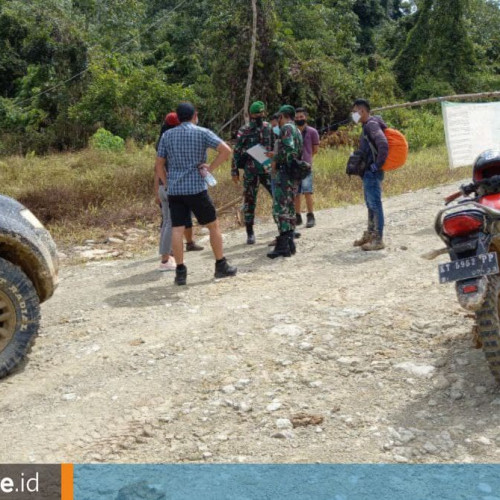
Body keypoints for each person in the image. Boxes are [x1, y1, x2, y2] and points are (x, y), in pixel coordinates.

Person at [155, 102, 236, 285]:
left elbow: (159, 164)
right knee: (213, 225)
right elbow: (226, 150)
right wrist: (210, 168)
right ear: (195, 115)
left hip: (175, 190)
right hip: (196, 189)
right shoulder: (202, 132)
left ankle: (181, 271)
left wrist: (167, 183)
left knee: (177, 229)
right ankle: (220, 265)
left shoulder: (167, 135)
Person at [154, 113, 203, 272]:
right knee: (171, 224)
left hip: (163, 187)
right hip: (172, 188)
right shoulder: (176, 143)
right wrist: (169, 186)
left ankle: (170, 254)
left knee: (167, 222)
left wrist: (158, 190)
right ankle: (166, 259)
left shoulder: (163, 141)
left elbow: (157, 168)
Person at [231, 101, 274, 244]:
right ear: (251, 115)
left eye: (261, 113)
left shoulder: (269, 128)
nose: (259, 116)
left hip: (268, 170)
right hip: (251, 170)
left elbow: (275, 146)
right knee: (250, 201)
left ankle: (284, 227)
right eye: (256, 114)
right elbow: (236, 151)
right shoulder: (244, 130)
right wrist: (234, 170)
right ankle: (250, 232)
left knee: (278, 197)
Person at [351, 98, 388, 251]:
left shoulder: (371, 125)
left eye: (354, 111)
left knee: (375, 204)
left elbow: (383, 144)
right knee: (370, 204)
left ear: (362, 111)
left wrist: (376, 166)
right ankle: (370, 234)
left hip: (372, 173)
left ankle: (378, 239)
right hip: (367, 173)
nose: (353, 114)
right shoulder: (366, 125)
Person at [266, 105, 303, 259]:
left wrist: (275, 157)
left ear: (282, 116)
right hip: (292, 174)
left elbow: (289, 150)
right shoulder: (297, 130)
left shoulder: (286, 129)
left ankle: (283, 246)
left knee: (280, 209)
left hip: (284, 174)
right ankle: (289, 244)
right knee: (288, 208)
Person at [293, 107, 319, 228]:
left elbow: (315, 150)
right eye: (297, 117)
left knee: (308, 191)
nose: (299, 119)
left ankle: (310, 216)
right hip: (294, 166)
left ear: (306, 117)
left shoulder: (313, 132)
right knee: (296, 193)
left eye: (301, 117)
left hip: (306, 166)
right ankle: (297, 216)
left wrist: (307, 159)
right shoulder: (292, 132)